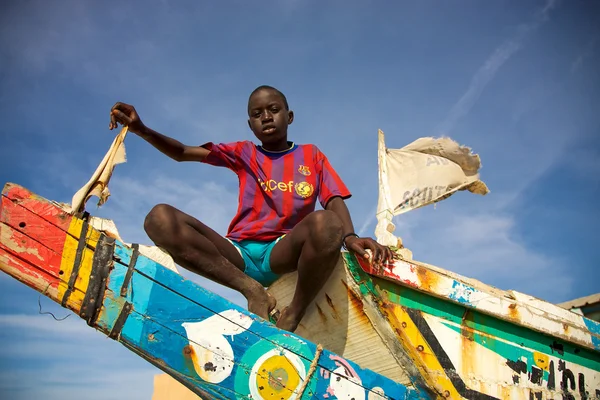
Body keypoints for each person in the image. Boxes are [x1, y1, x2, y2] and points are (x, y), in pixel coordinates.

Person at [108, 85, 393, 332]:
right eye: (257, 114)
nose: (266, 117)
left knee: (328, 223)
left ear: (289, 116)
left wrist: (351, 237)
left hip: (281, 252)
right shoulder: (245, 152)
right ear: (250, 125)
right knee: (159, 218)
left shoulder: (311, 156)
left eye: (273, 109)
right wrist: (141, 129)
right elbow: (182, 152)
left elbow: (333, 200)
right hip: (239, 254)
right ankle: (251, 290)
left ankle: (293, 314)